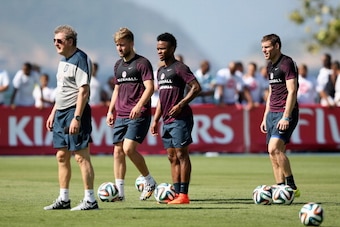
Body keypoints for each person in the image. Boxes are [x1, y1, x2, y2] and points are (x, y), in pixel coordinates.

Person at [44, 25, 98, 211]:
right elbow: (62, 91)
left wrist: (77, 117)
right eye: (54, 41)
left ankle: (90, 200)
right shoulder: (63, 61)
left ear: (70, 42)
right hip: (60, 113)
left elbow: (83, 91)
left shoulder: (81, 59)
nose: (55, 44)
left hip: (76, 112)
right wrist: (53, 112)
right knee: (61, 156)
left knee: (81, 157)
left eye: (59, 41)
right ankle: (64, 199)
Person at [150, 32, 201, 204]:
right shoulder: (160, 71)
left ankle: (184, 195)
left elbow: (196, 87)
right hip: (166, 120)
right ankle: (176, 193)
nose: (160, 51)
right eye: (158, 49)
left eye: (163, 48)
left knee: (181, 154)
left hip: (181, 118)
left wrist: (181, 104)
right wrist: (155, 120)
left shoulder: (180, 68)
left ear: (172, 48)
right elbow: (161, 100)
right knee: (171, 156)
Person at [106, 27, 157, 201]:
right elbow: (117, 89)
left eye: (122, 44)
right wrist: (110, 110)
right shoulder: (118, 65)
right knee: (117, 152)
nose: (119, 48)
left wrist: (139, 105)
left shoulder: (142, 63)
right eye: (117, 45)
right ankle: (120, 193)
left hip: (138, 113)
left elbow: (150, 87)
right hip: (121, 114)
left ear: (131, 43)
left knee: (128, 149)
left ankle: (149, 180)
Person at [259, 34, 300, 197]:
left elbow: (292, 91)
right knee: (273, 153)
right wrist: (265, 116)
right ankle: (280, 188)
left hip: (285, 112)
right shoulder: (270, 66)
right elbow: (271, 93)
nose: (264, 50)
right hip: (272, 114)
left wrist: (286, 116)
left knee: (274, 148)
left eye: (267, 47)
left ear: (276, 46)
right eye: (262, 47)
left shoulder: (287, 63)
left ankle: (292, 187)